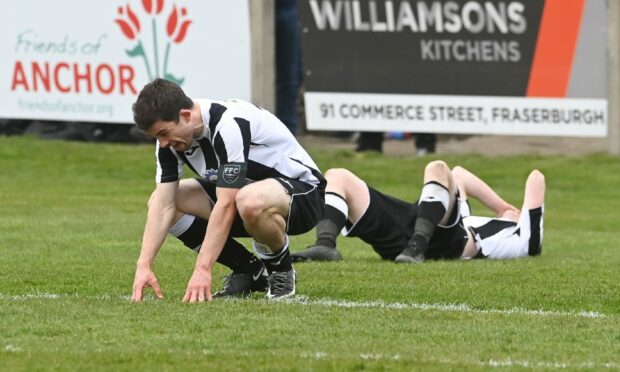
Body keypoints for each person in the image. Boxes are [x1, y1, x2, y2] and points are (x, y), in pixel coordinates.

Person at [130, 78, 326, 302]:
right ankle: (248, 270)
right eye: (157, 137)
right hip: (245, 197)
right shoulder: (169, 142)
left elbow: (226, 204)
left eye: (164, 133)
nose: (163, 143)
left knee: (249, 200)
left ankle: (280, 271)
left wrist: (203, 269)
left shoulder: (228, 124)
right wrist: (143, 265)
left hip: (304, 195)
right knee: (159, 199)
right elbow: (165, 205)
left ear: (185, 115)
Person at [291, 161, 544, 262]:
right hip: (408, 235)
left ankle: (417, 246)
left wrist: (516, 216)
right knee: (337, 175)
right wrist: (502, 207)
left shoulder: (525, 240)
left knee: (437, 167)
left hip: (448, 243)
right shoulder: (468, 218)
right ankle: (325, 245)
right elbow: (459, 175)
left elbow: (536, 178)